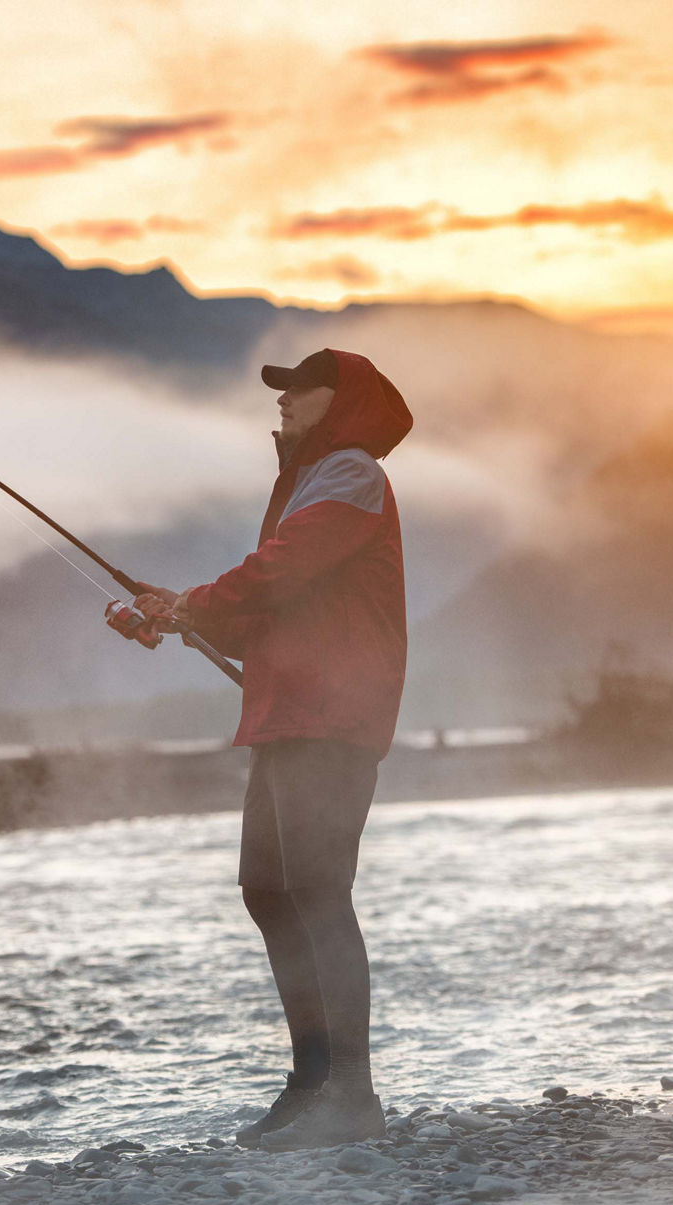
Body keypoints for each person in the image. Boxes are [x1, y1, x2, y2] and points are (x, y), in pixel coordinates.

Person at [135, 348, 412, 1151]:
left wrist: (192, 604)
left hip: (333, 713)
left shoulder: (351, 475)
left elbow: (281, 572)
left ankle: (352, 1097)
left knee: (319, 891)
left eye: (301, 389)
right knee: (267, 890)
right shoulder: (308, 480)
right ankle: (311, 1082)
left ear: (342, 398)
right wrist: (175, 614)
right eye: (282, 392)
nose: (284, 401)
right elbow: (271, 602)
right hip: (289, 712)